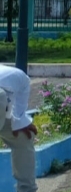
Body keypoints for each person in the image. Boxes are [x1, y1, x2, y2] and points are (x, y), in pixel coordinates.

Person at [0, 64, 37, 192]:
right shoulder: (20, 78)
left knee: (22, 138)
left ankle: (27, 189)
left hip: (3, 103)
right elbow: (19, 107)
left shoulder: (17, 78)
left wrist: (19, 124)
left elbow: (17, 109)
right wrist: (20, 123)